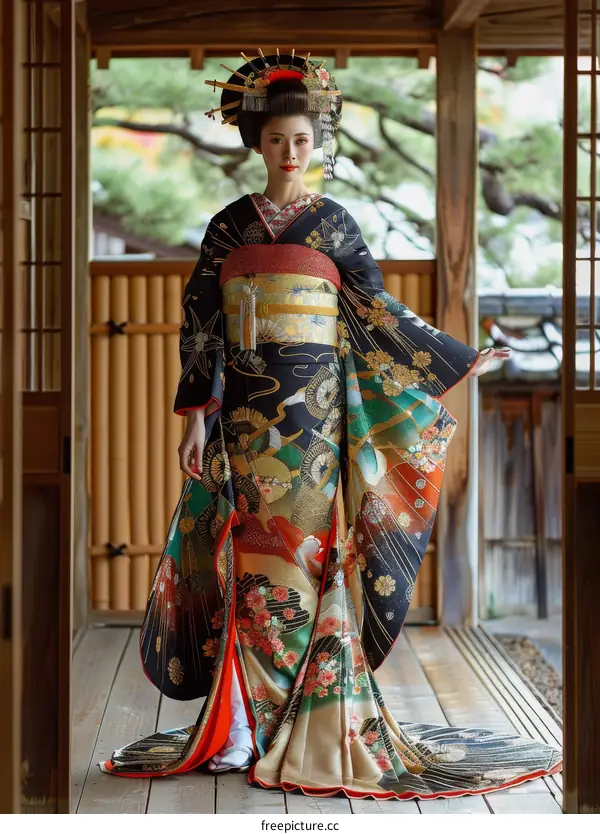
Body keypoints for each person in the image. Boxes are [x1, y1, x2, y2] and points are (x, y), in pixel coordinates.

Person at [100, 51, 561, 800]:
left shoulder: (335, 224)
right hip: (245, 416)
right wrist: (195, 417)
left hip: (313, 419)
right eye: (277, 139)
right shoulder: (227, 228)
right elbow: (201, 328)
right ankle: (244, 726)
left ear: (317, 145)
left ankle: (298, 721)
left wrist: (449, 359)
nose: (290, 152)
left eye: (302, 141)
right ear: (256, 141)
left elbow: (377, 313)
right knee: (250, 561)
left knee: (306, 560)